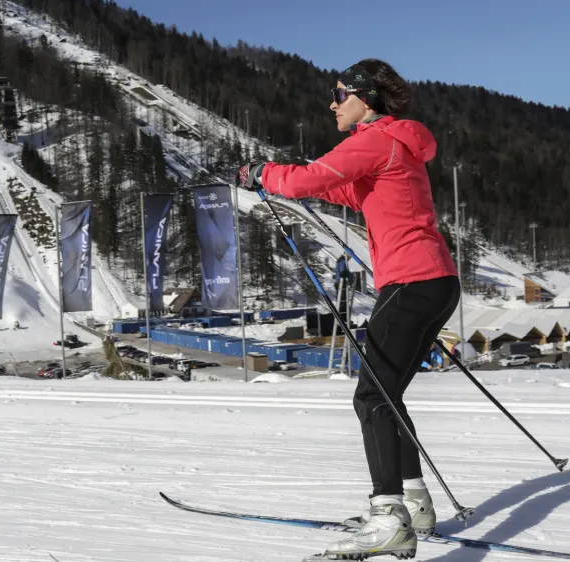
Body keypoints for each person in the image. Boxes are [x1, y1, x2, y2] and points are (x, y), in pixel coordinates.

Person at [235, 58, 460, 560]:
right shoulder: (397, 143)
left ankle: (388, 517)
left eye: (339, 93)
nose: (331, 103)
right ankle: (413, 503)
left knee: (370, 398)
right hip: (435, 280)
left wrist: (264, 173)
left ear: (366, 98)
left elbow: (307, 180)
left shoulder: (375, 138)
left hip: (411, 280)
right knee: (388, 393)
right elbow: (338, 187)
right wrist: (277, 180)